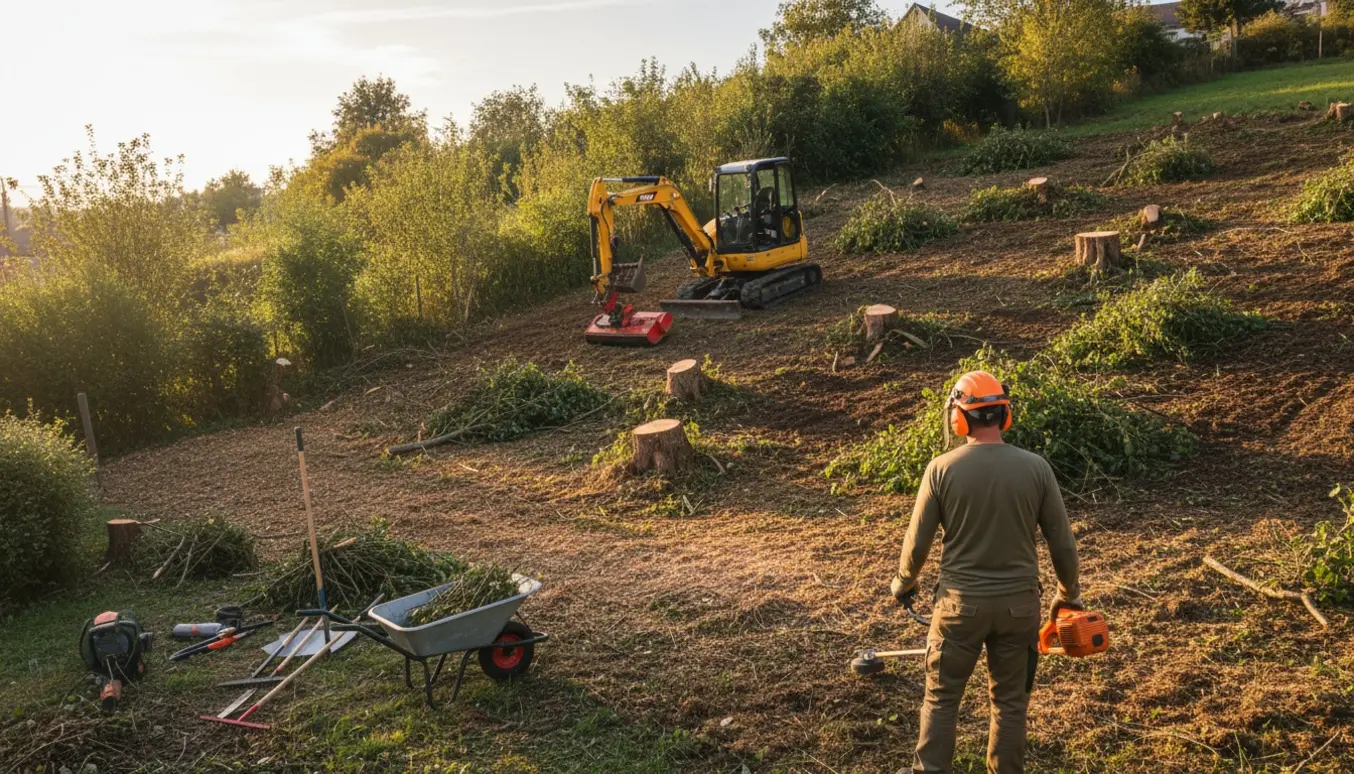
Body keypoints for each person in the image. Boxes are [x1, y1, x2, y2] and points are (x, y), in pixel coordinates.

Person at [889, 370, 1082, 774]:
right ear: (1004, 415)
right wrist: (1068, 594)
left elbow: (917, 545)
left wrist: (903, 583)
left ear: (958, 417)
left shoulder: (941, 469)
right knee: (1011, 703)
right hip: (1019, 609)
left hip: (959, 608)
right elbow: (1062, 543)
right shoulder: (1037, 468)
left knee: (942, 699)